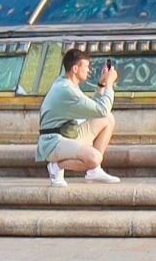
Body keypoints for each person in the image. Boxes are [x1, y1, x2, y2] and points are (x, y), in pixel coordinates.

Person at [36, 48, 121, 187]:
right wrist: (110, 84)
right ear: (75, 69)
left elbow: (96, 111)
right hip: (53, 142)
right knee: (95, 158)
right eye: (86, 66)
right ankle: (56, 166)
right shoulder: (67, 90)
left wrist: (102, 84)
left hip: (67, 135)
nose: (89, 70)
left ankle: (94, 171)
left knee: (108, 119)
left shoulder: (66, 83)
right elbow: (102, 109)